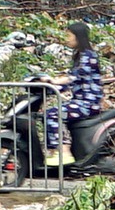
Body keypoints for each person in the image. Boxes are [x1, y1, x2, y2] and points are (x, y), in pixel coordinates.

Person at [44, 23, 103, 158]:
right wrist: (49, 88)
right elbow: (71, 82)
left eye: (69, 35)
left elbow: (76, 76)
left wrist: (55, 81)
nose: (66, 39)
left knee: (53, 114)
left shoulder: (89, 56)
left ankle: (63, 152)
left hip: (87, 104)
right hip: (80, 101)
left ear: (78, 37)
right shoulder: (80, 55)